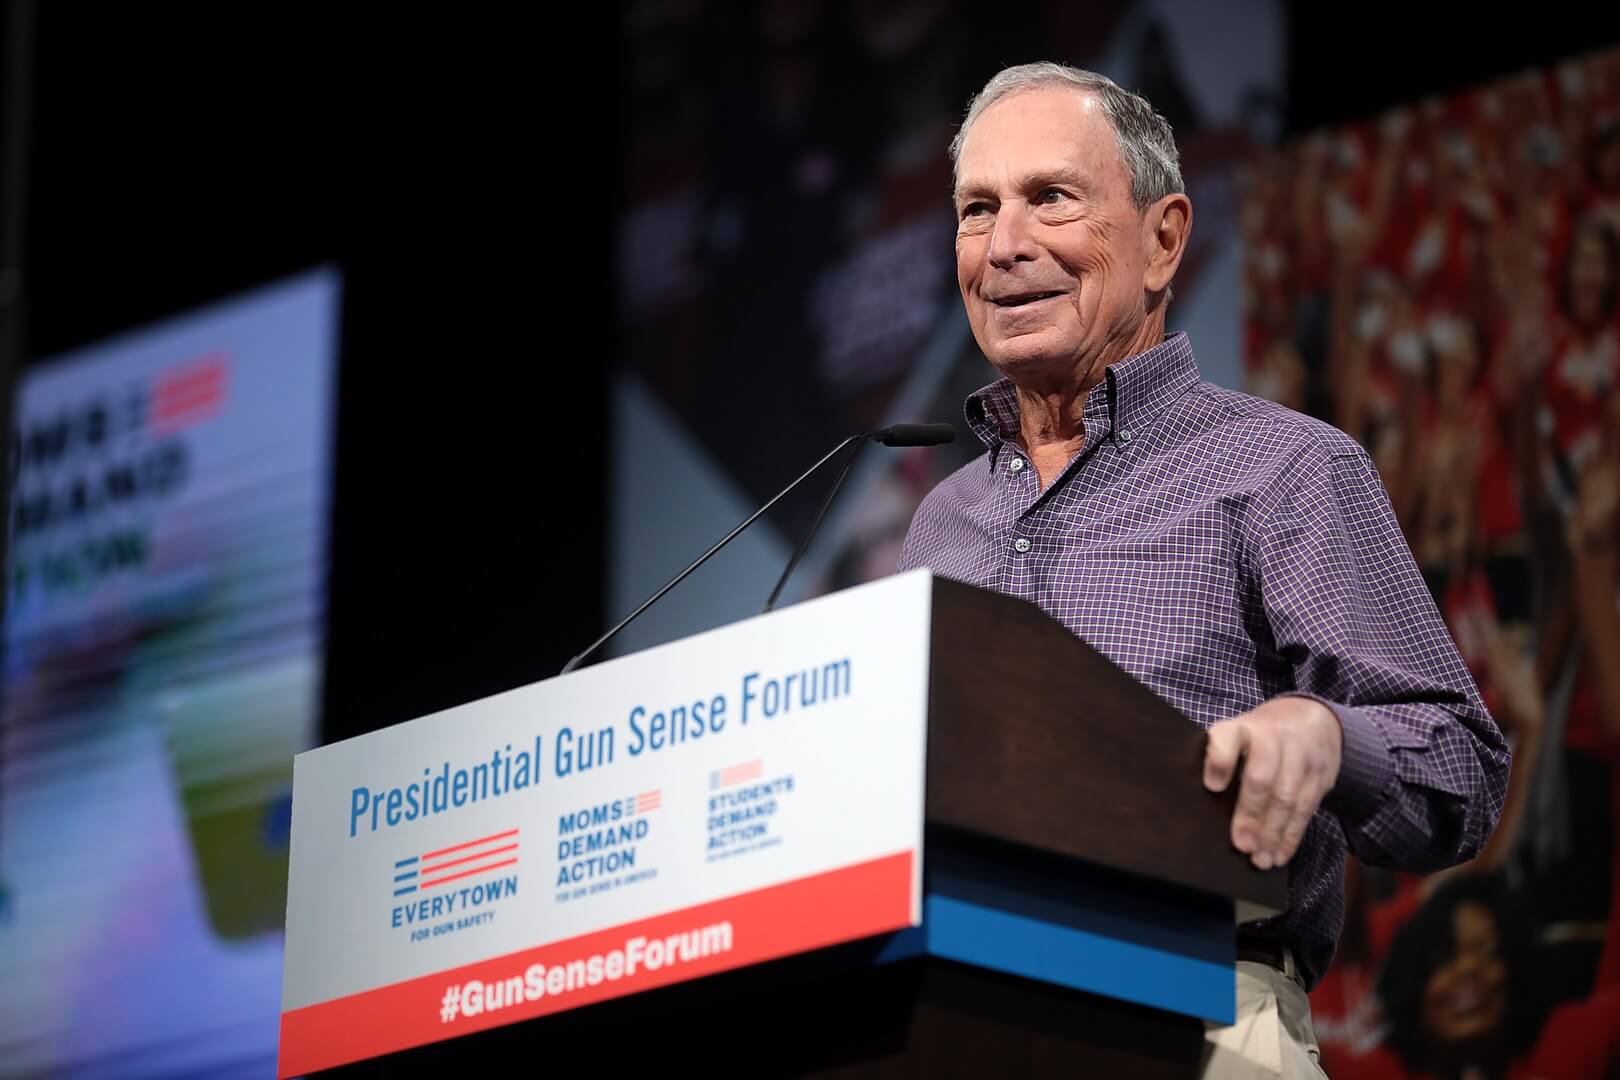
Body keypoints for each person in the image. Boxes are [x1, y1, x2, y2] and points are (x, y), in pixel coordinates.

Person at [897, 61, 1511, 1078]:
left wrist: (1326, 734)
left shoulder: (1285, 469)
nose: (1004, 246)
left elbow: (1461, 771)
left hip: (1199, 1010)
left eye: (1051, 198)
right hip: (946, 1024)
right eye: (978, 209)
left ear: (1165, 238)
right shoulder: (940, 523)